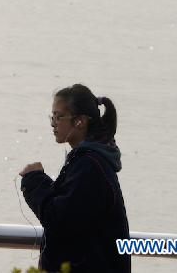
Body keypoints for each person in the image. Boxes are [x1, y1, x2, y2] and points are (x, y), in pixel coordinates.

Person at [18, 84, 131, 272]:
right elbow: (71, 207)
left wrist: (34, 180)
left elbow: (59, 221)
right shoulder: (89, 161)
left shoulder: (90, 167)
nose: (53, 123)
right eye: (52, 117)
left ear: (80, 122)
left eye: (58, 116)